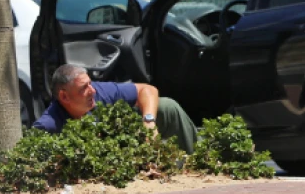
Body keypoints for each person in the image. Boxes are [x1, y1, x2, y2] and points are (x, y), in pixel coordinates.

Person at [33, 64, 198, 154]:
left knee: (166, 106)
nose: (92, 90)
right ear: (64, 97)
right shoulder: (49, 125)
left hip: (126, 146)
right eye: (84, 88)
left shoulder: (99, 92)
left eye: (90, 83)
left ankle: (195, 157)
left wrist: (149, 121)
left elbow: (148, 89)